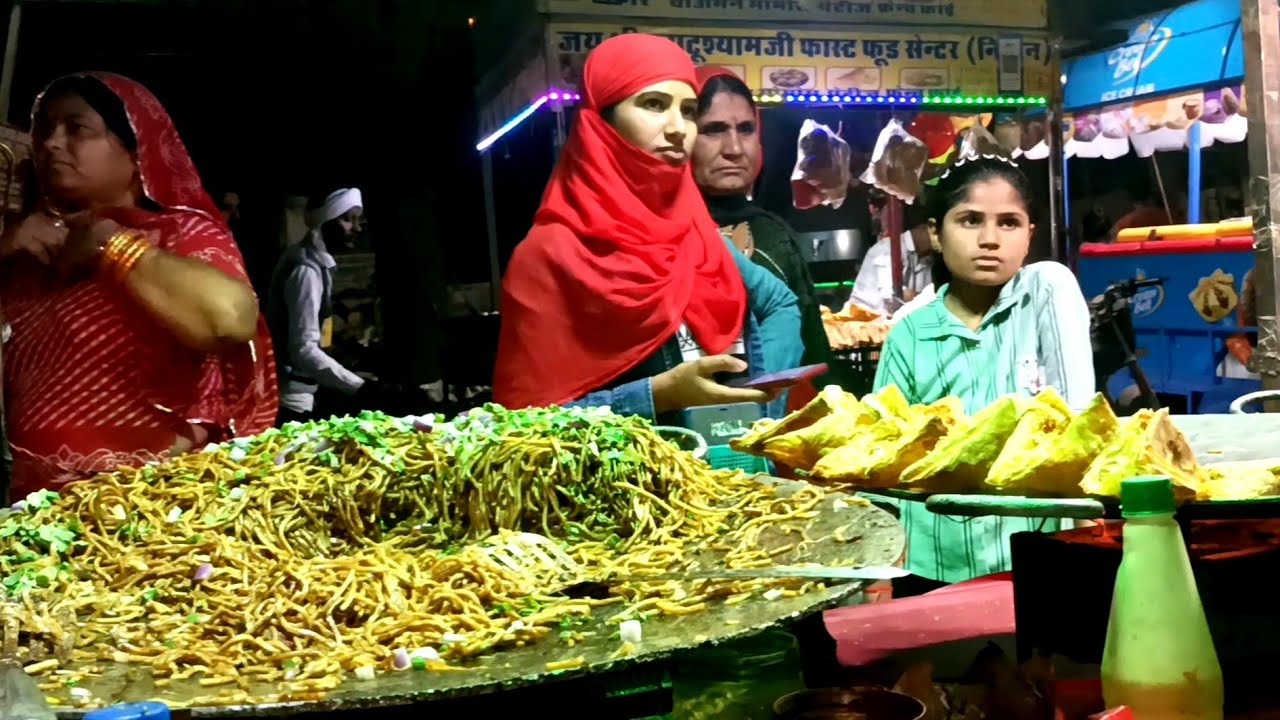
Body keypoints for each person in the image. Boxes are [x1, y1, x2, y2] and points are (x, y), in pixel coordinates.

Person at [493, 34, 802, 422]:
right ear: (600, 123)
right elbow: (520, 426)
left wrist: (761, 402)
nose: (678, 128)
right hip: (631, 480)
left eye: (688, 110)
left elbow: (780, 304)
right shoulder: (548, 256)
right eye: (654, 105)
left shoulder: (695, 235)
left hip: (734, 476)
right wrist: (654, 396)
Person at [0, 73, 278, 498]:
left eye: (77, 128)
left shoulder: (177, 235)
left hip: (149, 510)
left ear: (135, 150)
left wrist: (111, 246)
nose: (52, 144)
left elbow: (228, 319)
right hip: (35, 513)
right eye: (45, 131)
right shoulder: (28, 253)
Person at [872, 155, 1094, 587]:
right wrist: (877, 572)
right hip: (932, 557)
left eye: (1009, 223)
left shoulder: (1046, 291)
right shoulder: (910, 335)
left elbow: (1077, 420)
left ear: (1030, 235)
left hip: (1033, 547)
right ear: (936, 233)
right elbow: (881, 453)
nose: (990, 239)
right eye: (970, 220)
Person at [692, 66, 847, 402]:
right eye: (713, 130)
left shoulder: (773, 235)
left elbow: (813, 349)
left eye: (746, 129)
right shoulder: (656, 232)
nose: (734, 147)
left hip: (773, 426)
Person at [267, 188, 372, 425]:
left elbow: (320, 334)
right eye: (347, 219)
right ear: (325, 223)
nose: (356, 228)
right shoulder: (306, 271)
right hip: (293, 399)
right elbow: (303, 350)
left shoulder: (319, 265)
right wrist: (357, 386)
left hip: (309, 393)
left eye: (359, 219)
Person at [845, 203, 934, 317]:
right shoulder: (889, 248)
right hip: (865, 323)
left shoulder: (927, 258)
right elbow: (893, 298)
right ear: (924, 227)